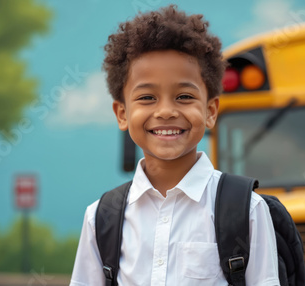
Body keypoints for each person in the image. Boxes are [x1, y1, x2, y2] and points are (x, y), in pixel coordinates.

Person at [70, 5, 279, 286]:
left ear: (211, 111)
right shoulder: (101, 219)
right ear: (122, 113)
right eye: (146, 98)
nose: (166, 111)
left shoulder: (247, 211)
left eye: (183, 96)